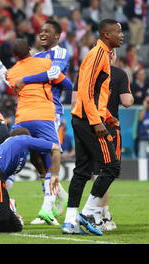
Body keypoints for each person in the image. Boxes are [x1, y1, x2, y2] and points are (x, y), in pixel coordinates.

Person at [62, 19, 124, 236]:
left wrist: (106, 116)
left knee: (81, 171)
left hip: (85, 118)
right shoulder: (98, 54)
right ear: (106, 35)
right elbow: (86, 91)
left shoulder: (102, 55)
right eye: (118, 31)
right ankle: (87, 213)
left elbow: (98, 94)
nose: (122, 35)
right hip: (89, 121)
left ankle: (70, 221)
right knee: (112, 167)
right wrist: (97, 121)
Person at [11, 20, 71, 225]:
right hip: (31, 112)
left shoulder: (60, 53)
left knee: (48, 156)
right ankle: (58, 196)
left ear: (57, 35)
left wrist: (26, 80)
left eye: (47, 31)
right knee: (36, 158)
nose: (42, 34)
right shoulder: (36, 57)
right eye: (40, 31)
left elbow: (57, 75)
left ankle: (47, 209)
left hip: (50, 110)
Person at [72, 48, 133, 231]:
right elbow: (128, 101)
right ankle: (97, 214)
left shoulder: (84, 72)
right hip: (107, 125)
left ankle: (101, 214)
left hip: (84, 124)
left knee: (88, 170)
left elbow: (76, 100)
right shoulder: (119, 73)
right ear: (112, 55)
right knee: (108, 169)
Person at [137, 93, 149, 158]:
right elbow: (140, 118)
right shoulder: (142, 111)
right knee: (142, 157)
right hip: (143, 138)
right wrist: (144, 107)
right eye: (147, 102)